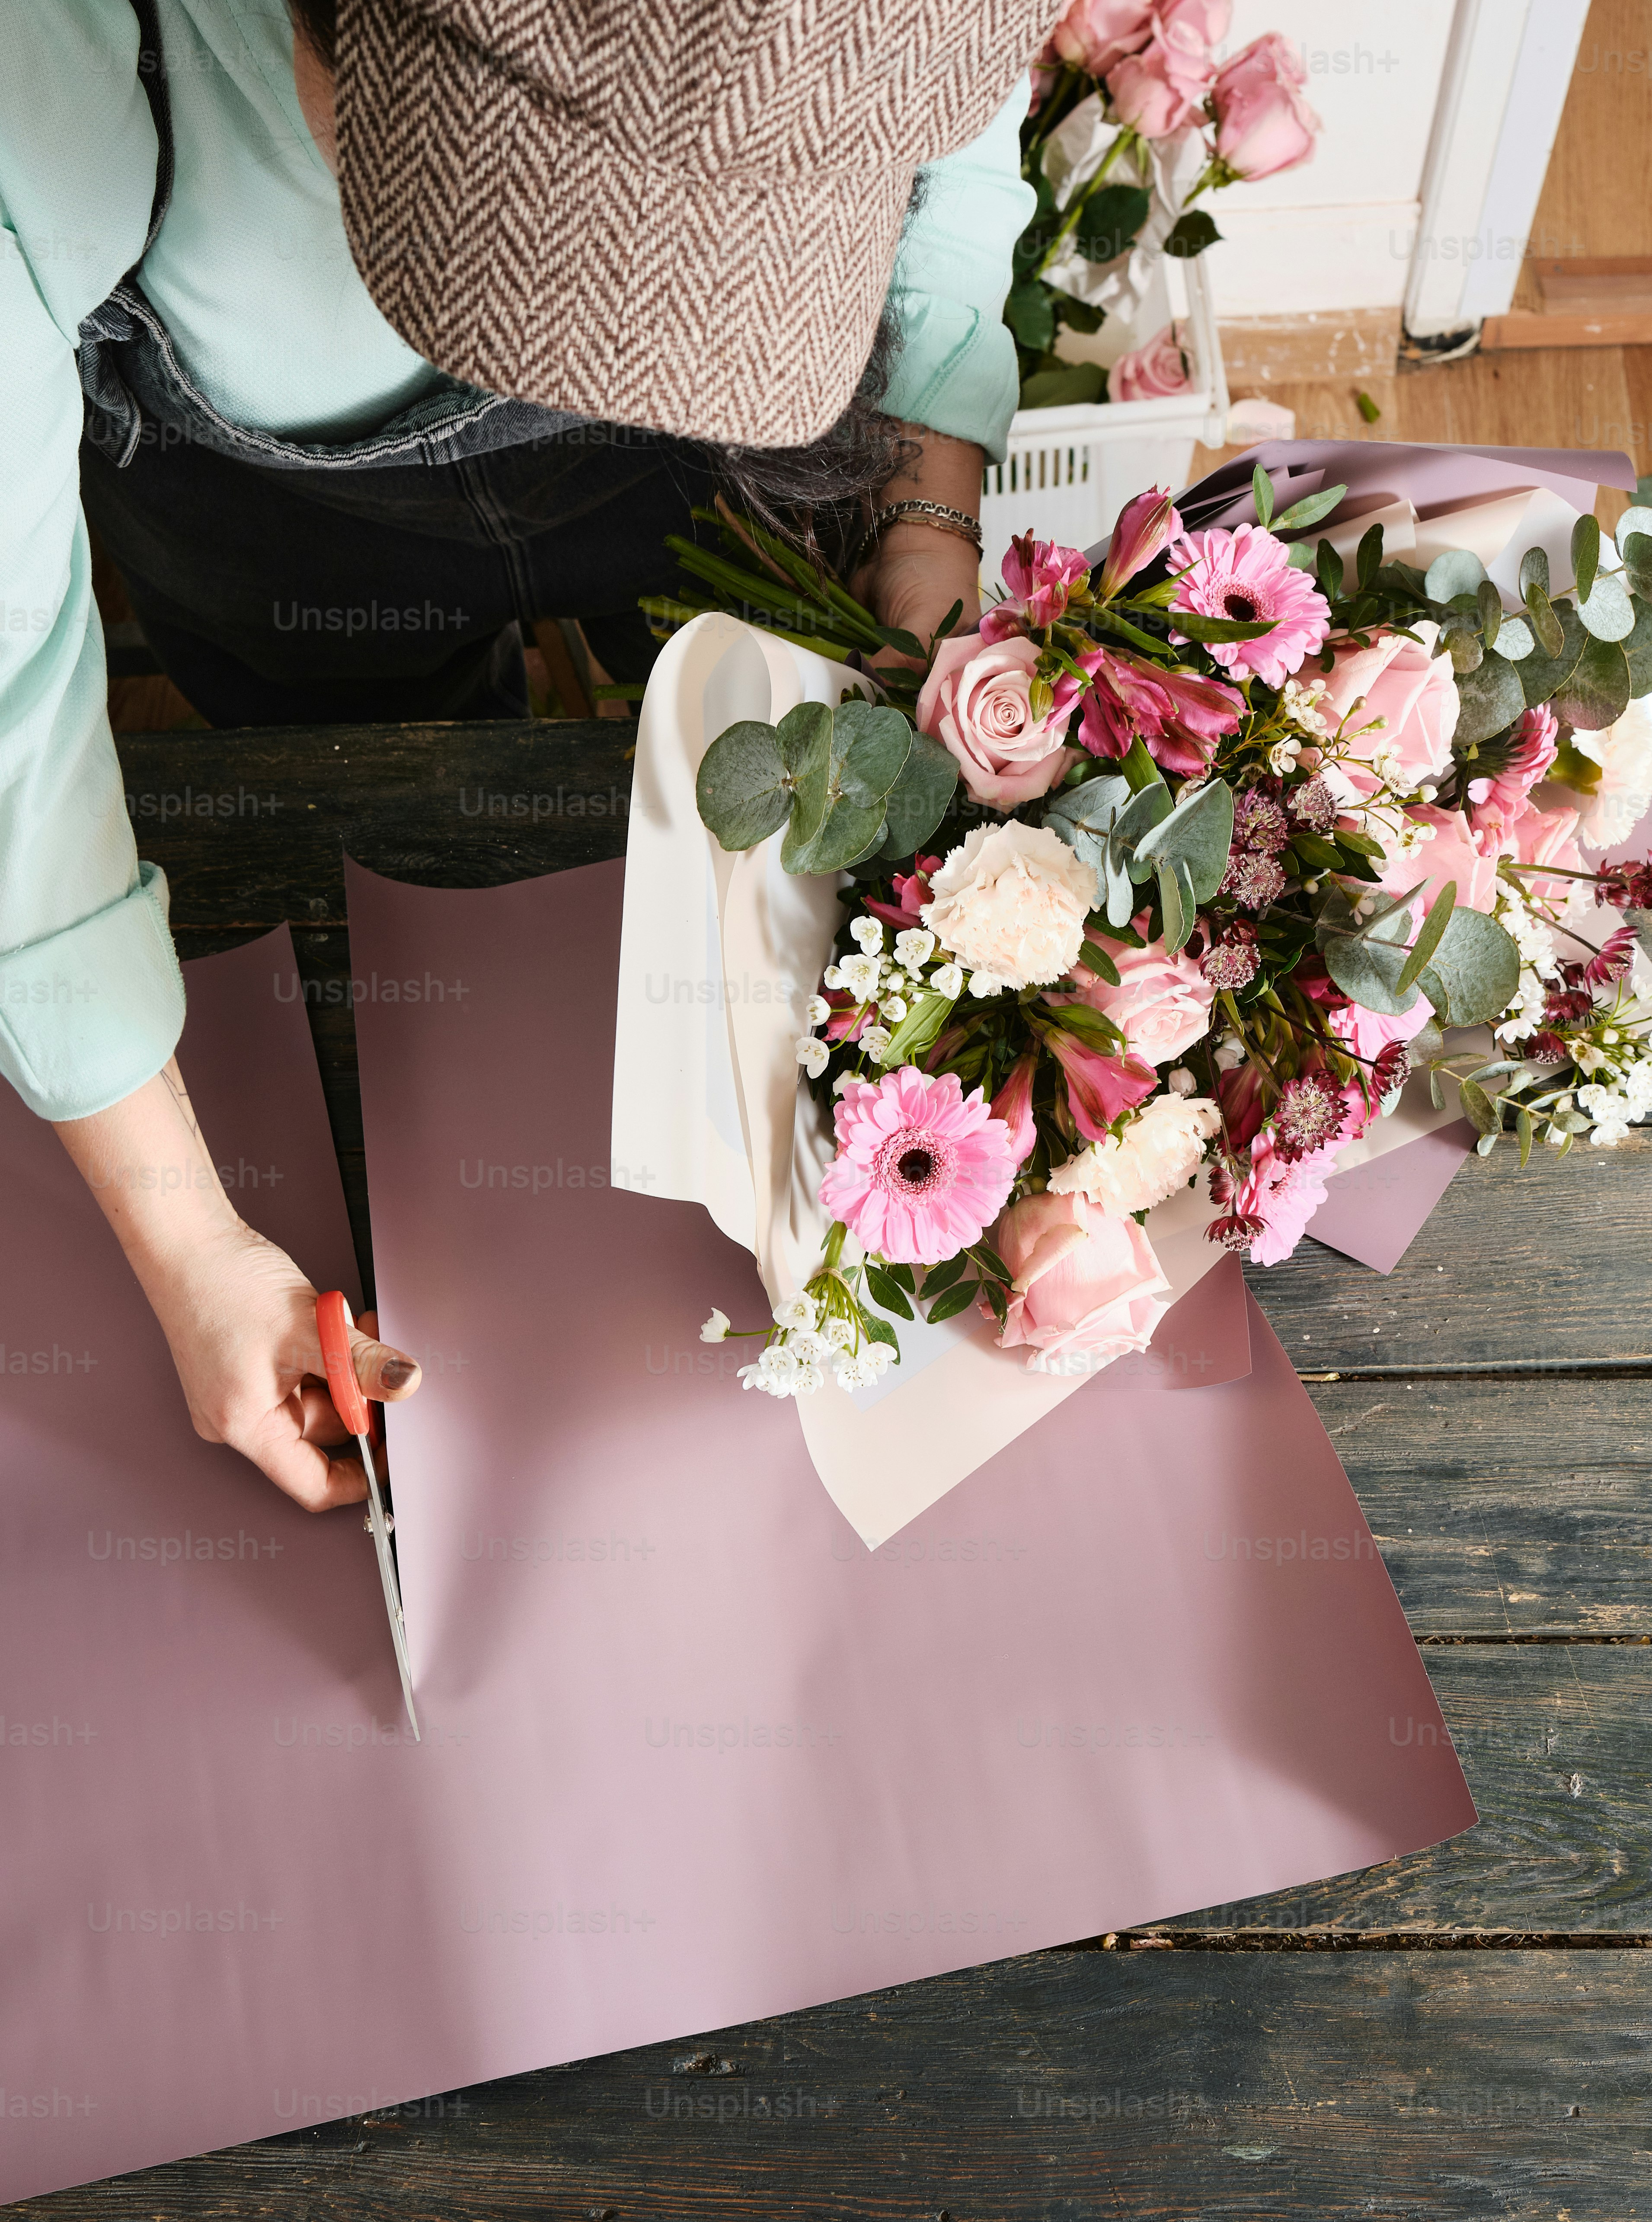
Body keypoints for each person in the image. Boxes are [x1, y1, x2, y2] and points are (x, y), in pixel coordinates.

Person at [0, 0, 1046, 1506]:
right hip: (284, 525)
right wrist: (187, 1238)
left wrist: (925, 510)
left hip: (724, 480)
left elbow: (954, 101)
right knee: (348, 790)